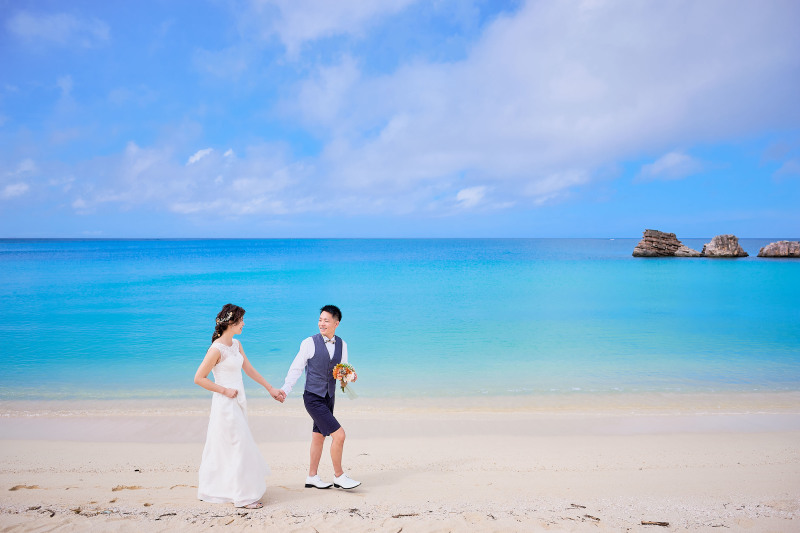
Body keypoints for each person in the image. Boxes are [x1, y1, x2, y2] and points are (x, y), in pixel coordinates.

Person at [194, 304, 284, 509]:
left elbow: (249, 369)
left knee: (230, 446)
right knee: (239, 446)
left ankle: (217, 489)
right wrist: (225, 391)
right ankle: (243, 497)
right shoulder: (216, 349)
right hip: (225, 404)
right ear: (231, 322)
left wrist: (270, 388)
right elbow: (199, 378)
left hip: (239, 401)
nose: (244, 324)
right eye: (241, 320)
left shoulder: (236, 344)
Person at [279, 305, 361, 490]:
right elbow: (297, 368)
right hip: (313, 398)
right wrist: (286, 389)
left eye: (326, 320)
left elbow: (342, 369)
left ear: (336, 323)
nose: (322, 323)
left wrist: (351, 376)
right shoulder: (308, 342)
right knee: (339, 435)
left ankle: (312, 477)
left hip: (329, 397)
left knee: (319, 436)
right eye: (320, 320)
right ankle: (339, 476)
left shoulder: (342, 344)